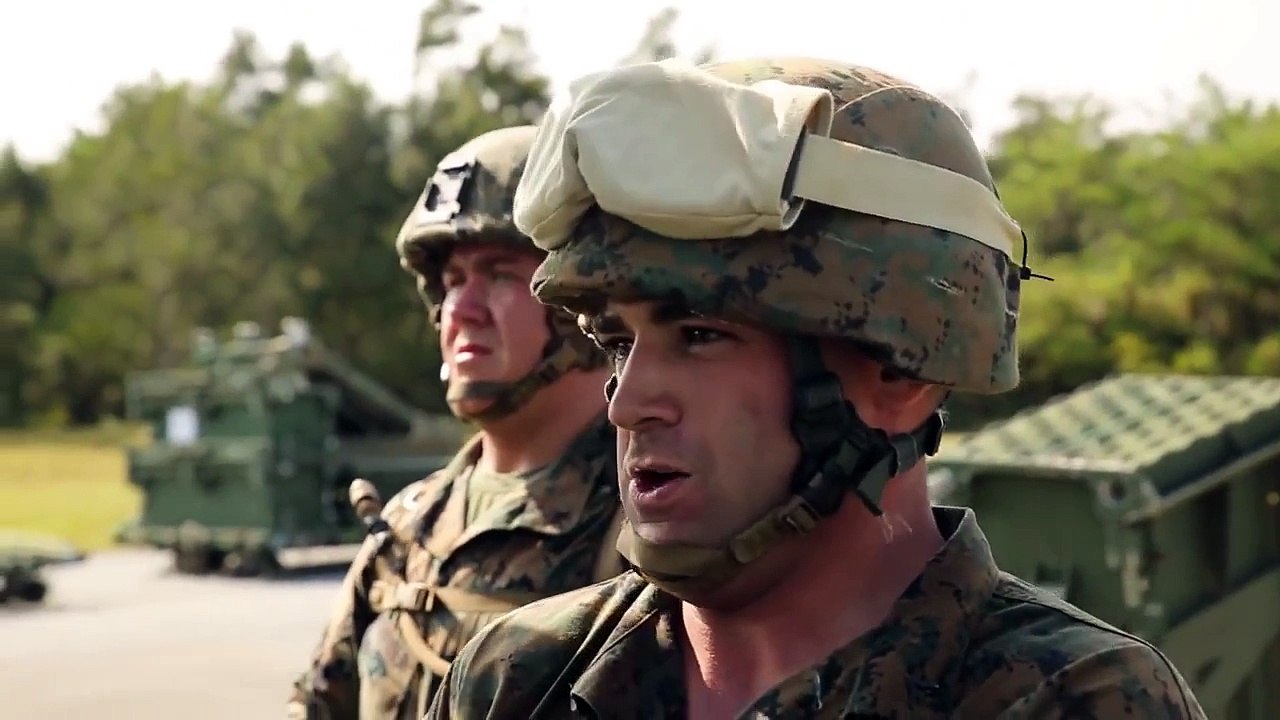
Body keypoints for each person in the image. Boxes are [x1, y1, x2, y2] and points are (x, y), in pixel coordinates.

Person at [423, 58, 1208, 719]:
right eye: (619, 343)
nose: (628, 404)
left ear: (899, 371)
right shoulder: (519, 679)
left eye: (701, 335)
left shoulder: (1072, 699)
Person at [288, 125, 627, 720]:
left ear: (582, 302)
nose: (460, 310)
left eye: (499, 275)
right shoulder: (407, 529)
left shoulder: (646, 528)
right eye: (450, 282)